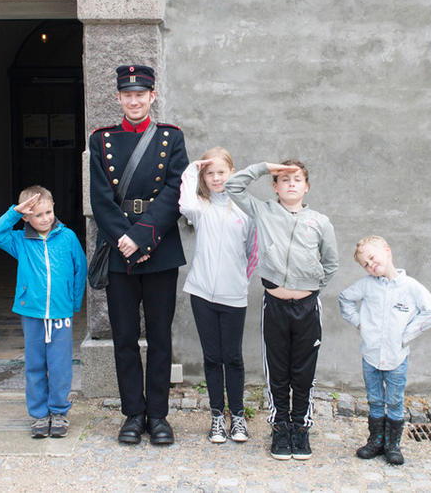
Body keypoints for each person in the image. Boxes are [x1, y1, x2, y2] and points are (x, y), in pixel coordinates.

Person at [89, 64, 188, 445]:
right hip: (118, 252)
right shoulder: (101, 140)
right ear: (118, 97)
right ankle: (133, 413)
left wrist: (143, 238)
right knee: (125, 338)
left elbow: (175, 191)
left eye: (140, 94)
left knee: (160, 337)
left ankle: (159, 416)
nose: (134, 100)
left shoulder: (171, 138)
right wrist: (124, 240)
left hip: (160, 250)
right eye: (127, 94)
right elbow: (100, 199)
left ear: (152, 95)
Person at [225, 160, 339, 461]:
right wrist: (264, 167)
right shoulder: (264, 211)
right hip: (274, 304)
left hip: (307, 307)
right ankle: (280, 427)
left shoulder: (320, 221)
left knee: (303, 371)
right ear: (275, 186)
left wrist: (310, 287)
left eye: (297, 178)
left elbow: (331, 263)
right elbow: (232, 186)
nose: (290, 183)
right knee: (277, 370)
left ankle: (300, 428)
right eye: (284, 179)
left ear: (306, 186)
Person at [0, 185, 86, 439]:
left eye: (49, 212)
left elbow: (80, 270)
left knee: (60, 365)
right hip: (31, 313)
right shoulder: (19, 241)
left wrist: (73, 304)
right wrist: (13, 212)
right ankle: (39, 415)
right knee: (34, 364)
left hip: (60, 313)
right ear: (26, 217)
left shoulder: (68, 237)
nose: (45, 218)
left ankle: (59, 412)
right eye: (38, 214)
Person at [338, 235, 431, 465]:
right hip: (371, 356)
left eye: (373, 258)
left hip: (397, 357)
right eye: (366, 264)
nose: (371, 265)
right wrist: (359, 323)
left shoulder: (410, 287)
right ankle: (376, 439)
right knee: (375, 399)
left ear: (387, 250)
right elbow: (345, 299)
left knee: (394, 401)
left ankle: (393, 444)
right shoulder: (366, 285)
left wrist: (407, 335)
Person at [179, 147, 258, 444]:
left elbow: (252, 251)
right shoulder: (200, 207)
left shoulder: (245, 211)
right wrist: (190, 170)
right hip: (201, 293)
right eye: (209, 173)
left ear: (232, 173)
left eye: (221, 172)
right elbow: (184, 204)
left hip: (234, 295)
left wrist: (238, 281)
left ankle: (237, 416)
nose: (215, 178)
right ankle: (216, 416)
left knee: (233, 357)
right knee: (212, 357)